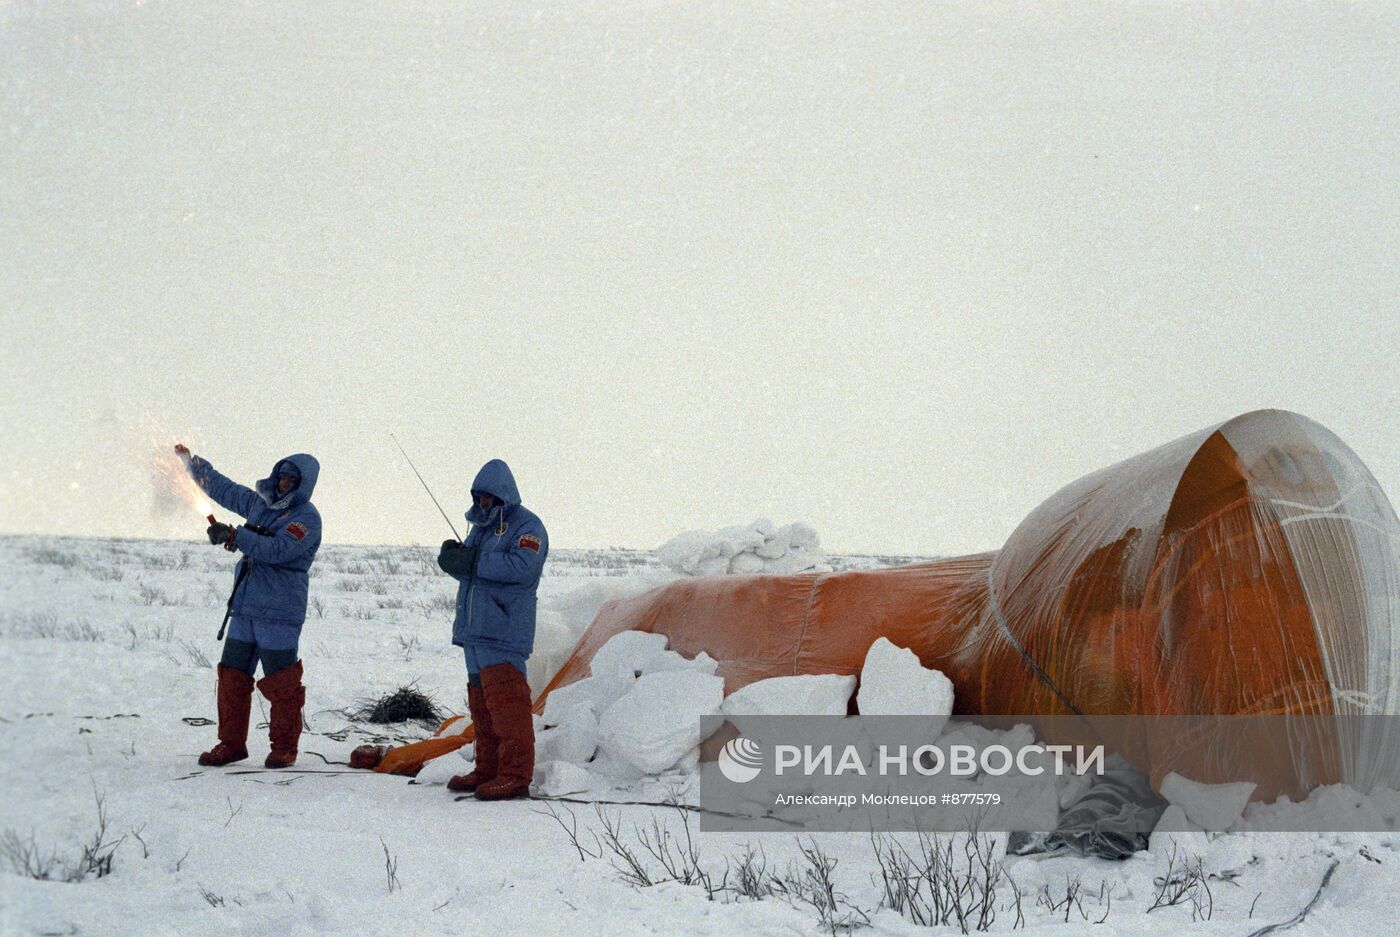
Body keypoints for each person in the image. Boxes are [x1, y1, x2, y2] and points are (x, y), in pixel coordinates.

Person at [176, 443, 322, 769]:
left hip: (279, 615)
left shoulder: (307, 519)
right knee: (232, 678)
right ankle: (230, 745)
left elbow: (278, 550)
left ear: (303, 484)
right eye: (281, 476)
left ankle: (284, 748)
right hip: (245, 609)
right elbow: (226, 491)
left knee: (282, 685)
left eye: (291, 479)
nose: (284, 482)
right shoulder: (260, 505)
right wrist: (193, 465)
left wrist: (235, 535)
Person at [437, 459, 548, 800]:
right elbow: (476, 573)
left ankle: (515, 775)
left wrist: (472, 561)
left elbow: (520, 567)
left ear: (504, 495)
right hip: (474, 630)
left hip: (504, 629)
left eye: (489, 498)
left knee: (507, 705)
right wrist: (457, 559)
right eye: (479, 498)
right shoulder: (480, 528)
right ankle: (487, 768)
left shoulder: (528, 527)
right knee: (482, 706)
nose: (483, 503)